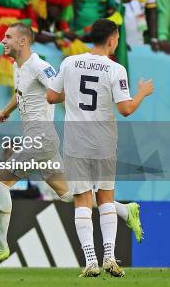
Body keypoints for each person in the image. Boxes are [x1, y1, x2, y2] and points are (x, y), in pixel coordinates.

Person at [0, 22, 142, 268]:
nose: (3, 40)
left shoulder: (40, 66)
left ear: (23, 41)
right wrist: (5, 111)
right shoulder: (18, 67)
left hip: (40, 137)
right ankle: (126, 211)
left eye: (8, 36)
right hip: (41, 139)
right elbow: (21, 93)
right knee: (67, 195)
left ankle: (0, 246)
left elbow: (58, 91)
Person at [47, 18, 154, 277]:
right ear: (110, 40)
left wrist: (70, 92)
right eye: (117, 37)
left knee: (82, 199)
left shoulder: (70, 62)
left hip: (75, 141)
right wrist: (142, 92)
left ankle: (91, 261)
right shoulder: (115, 70)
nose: (117, 41)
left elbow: (51, 96)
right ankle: (109, 256)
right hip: (104, 140)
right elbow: (126, 109)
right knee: (105, 196)